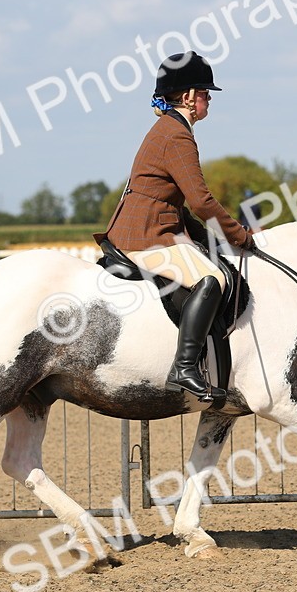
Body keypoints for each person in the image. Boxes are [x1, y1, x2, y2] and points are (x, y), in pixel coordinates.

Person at [95, 51, 255, 402]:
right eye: (204, 92)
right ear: (187, 97)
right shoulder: (177, 136)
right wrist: (240, 235)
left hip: (149, 228)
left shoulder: (168, 129)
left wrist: (211, 238)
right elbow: (200, 201)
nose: (209, 98)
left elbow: (179, 206)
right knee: (212, 279)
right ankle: (184, 367)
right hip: (146, 236)